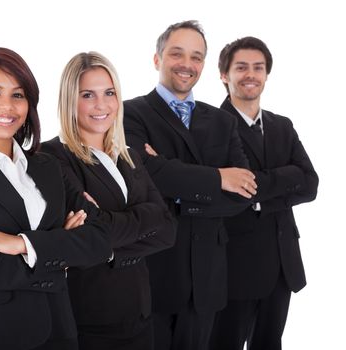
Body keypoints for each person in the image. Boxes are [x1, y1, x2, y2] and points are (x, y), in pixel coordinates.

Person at [0, 47, 116, 350]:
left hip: (59, 331)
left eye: (18, 95)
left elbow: (100, 239)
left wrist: (20, 244)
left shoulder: (47, 165)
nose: (7, 106)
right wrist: (58, 253)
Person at [123, 20, 258, 350]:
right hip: (154, 271)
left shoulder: (223, 120)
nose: (187, 64)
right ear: (157, 59)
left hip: (207, 278)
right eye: (177, 54)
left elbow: (245, 192)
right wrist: (217, 177)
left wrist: (179, 193)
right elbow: (146, 176)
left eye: (196, 57)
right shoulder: (129, 114)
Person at [41, 52, 176, 350]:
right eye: (88, 95)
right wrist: (146, 216)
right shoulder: (51, 158)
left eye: (109, 93)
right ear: (69, 100)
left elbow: (167, 229)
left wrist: (109, 248)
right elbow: (92, 234)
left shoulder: (127, 155)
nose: (102, 105)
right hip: (88, 318)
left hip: (139, 312)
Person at [209, 36, 318, 350]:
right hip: (235, 267)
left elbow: (310, 183)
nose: (250, 74)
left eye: (258, 68)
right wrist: (285, 181)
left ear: (267, 74)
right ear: (224, 74)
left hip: (283, 264)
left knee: (270, 344)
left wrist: (257, 195)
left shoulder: (282, 126)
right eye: (241, 67)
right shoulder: (209, 127)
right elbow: (228, 195)